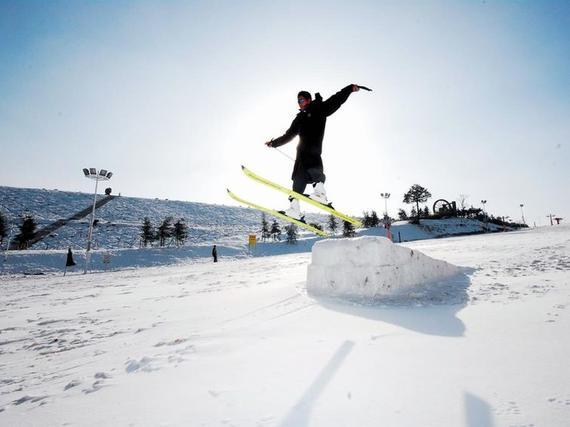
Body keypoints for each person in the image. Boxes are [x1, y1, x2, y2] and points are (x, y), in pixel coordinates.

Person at [265, 84, 362, 220]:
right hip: (301, 154)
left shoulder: (319, 108)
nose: (300, 104)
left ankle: (320, 193)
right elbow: (289, 135)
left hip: (313, 149)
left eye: (302, 100)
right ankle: (294, 209)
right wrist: (274, 143)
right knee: (298, 178)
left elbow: (336, 100)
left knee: (313, 166)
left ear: (309, 100)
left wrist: (349, 89)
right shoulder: (299, 119)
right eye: (298, 101)